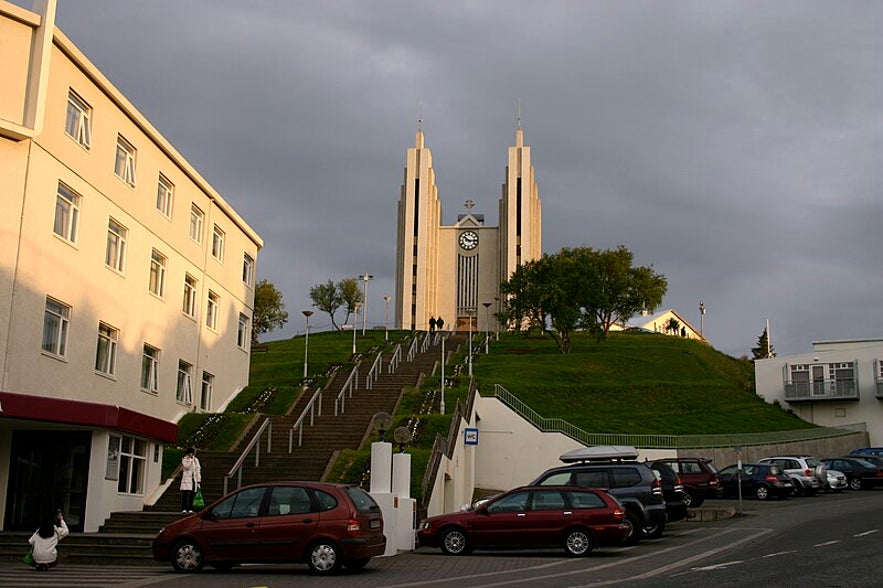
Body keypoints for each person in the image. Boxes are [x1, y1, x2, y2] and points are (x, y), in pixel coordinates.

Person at [180, 447, 202, 514]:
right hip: (186, 479)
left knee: (192, 494)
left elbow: (198, 469)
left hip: (193, 479)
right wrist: (190, 460)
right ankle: (184, 508)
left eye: (192, 453)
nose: (191, 454)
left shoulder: (196, 460)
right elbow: (187, 467)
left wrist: (198, 479)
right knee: (185, 494)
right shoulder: (185, 459)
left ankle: (190, 508)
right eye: (190, 453)